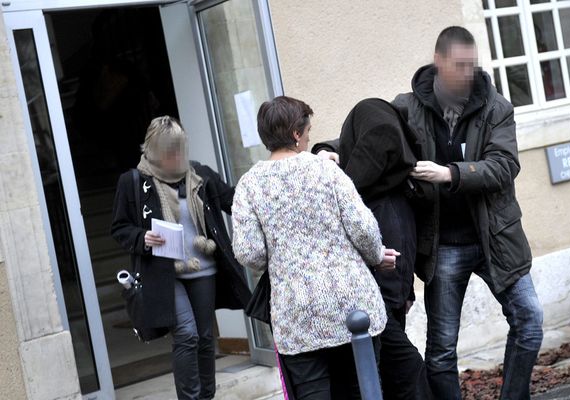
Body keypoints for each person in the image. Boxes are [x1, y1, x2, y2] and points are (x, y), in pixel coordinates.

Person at [395, 26, 543, 399]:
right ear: (439, 62)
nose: (467, 73)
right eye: (459, 65)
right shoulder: (407, 107)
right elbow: (369, 134)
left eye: (471, 65)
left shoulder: (496, 107)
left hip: (496, 238)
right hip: (444, 246)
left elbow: (505, 164)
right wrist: (327, 150)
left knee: (530, 322)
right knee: (442, 350)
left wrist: (450, 174)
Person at [232, 96, 395, 400]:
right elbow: (363, 227)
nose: (309, 136)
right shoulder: (326, 170)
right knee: (363, 390)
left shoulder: (249, 185)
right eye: (307, 130)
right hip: (352, 303)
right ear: (295, 133)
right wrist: (376, 257)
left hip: (296, 313)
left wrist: (283, 252)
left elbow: (248, 252)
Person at [111, 116, 251, 400]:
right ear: (153, 151)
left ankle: (206, 396)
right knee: (186, 334)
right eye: (169, 151)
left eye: (180, 150)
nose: (176, 157)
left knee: (204, 337)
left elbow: (236, 201)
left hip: (203, 269)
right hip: (164, 273)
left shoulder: (200, 174)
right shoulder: (134, 182)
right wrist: (142, 238)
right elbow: (119, 228)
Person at [313, 99, 432, 399]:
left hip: (380, 305)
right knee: (398, 373)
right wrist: (320, 153)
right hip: (376, 306)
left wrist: (404, 294)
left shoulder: (372, 197)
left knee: (395, 374)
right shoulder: (395, 185)